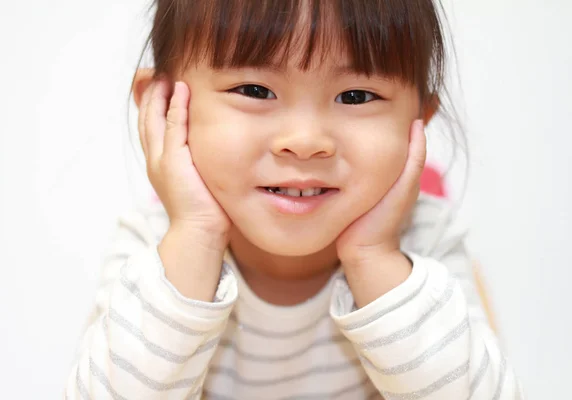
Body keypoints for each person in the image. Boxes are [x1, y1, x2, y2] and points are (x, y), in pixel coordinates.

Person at [65, 0, 522, 398]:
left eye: (356, 95)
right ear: (163, 108)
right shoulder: (154, 249)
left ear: (418, 122)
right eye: (255, 90)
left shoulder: (424, 244)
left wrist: (374, 257)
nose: (304, 142)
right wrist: (196, 236)